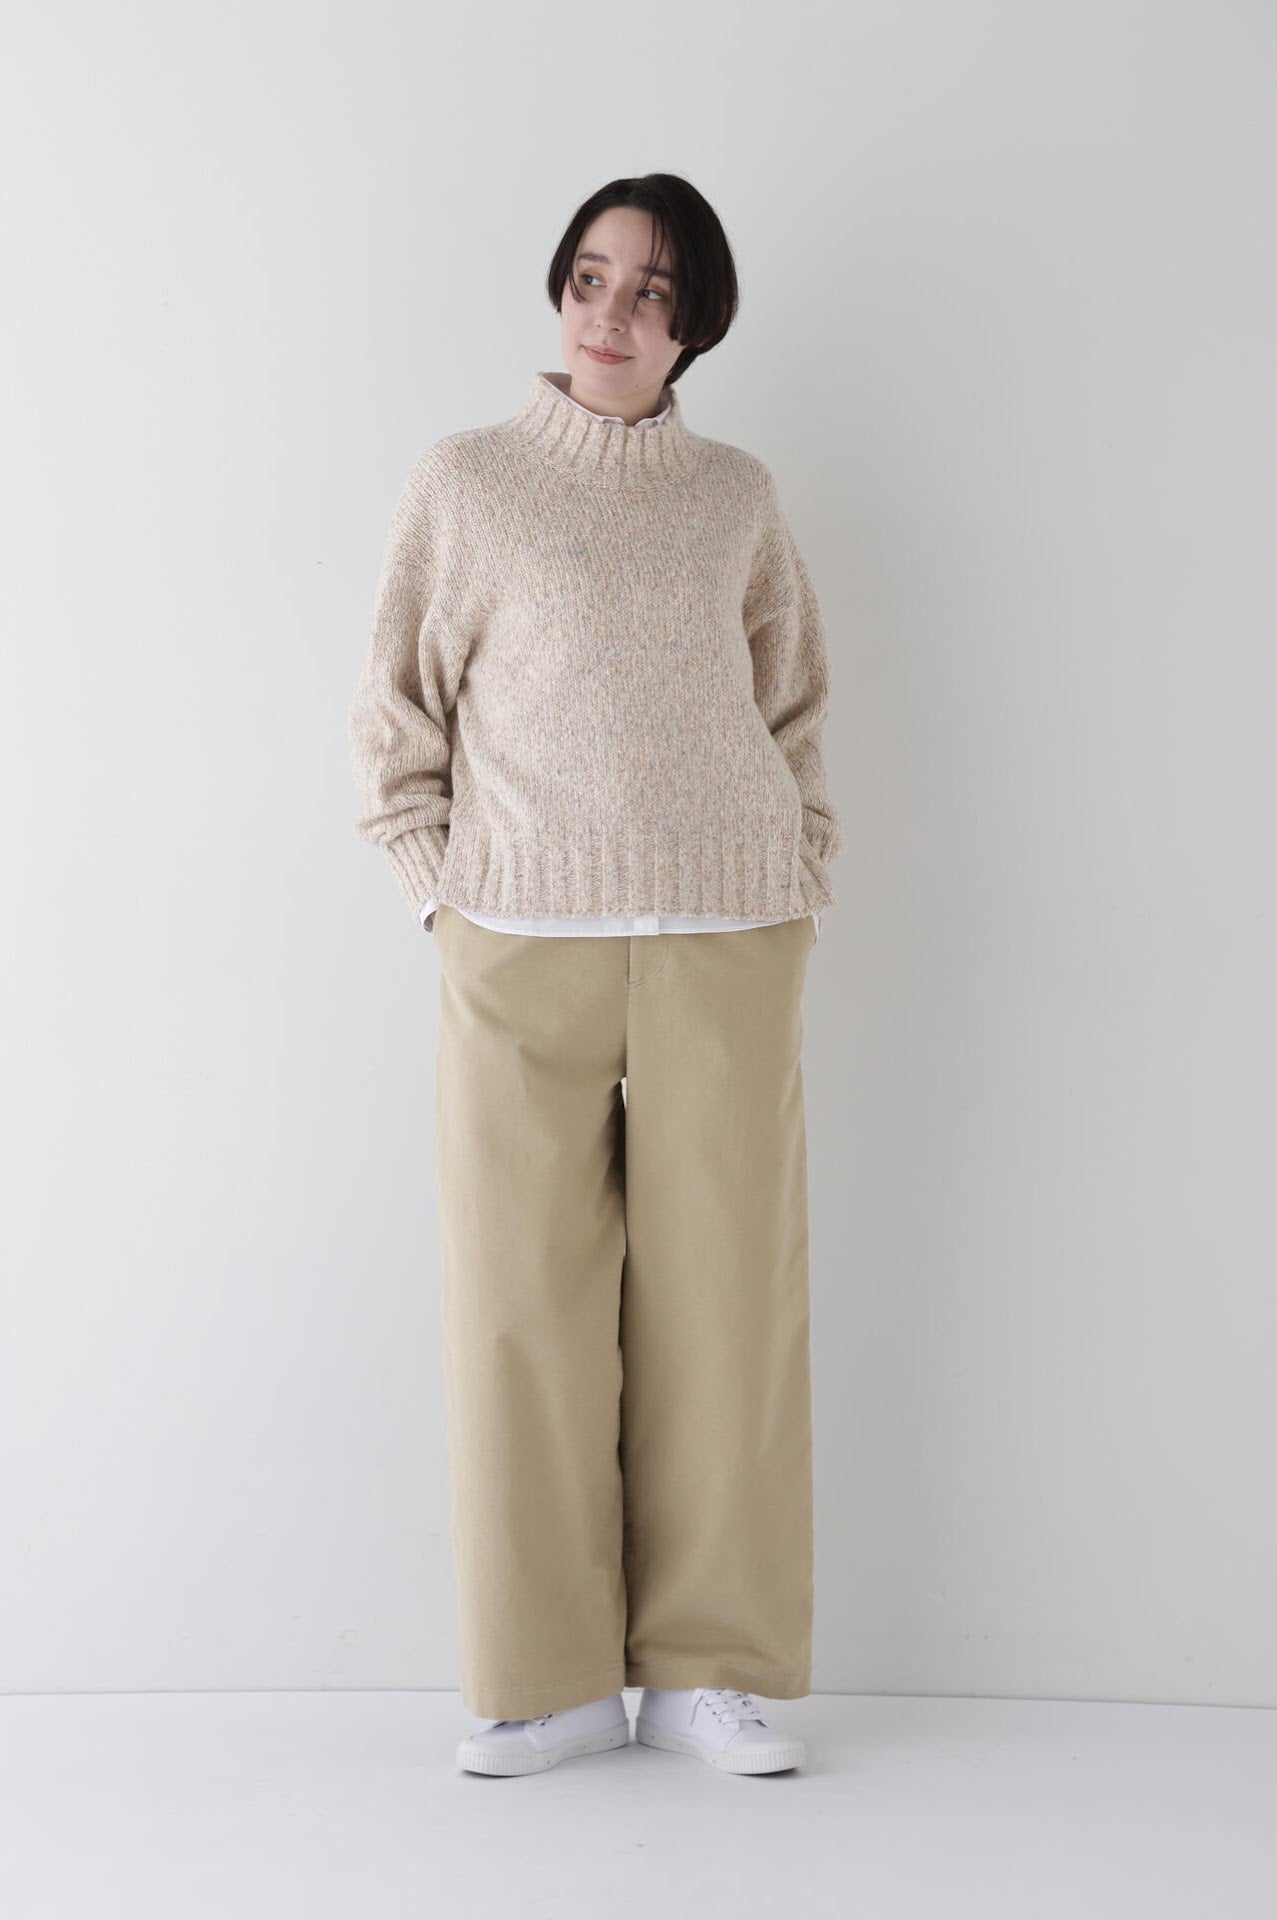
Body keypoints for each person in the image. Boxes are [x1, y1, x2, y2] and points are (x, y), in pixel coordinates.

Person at [347, 173, 842, 1777]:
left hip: (724, 937)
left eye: (650, 290)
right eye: (587, 278)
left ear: (695, 321)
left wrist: (798, 869)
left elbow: (792, 703)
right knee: (520, 1307)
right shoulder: (467, 481)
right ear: (558, 293)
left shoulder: (734, 495)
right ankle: (542, 1676)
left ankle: (711, 1669)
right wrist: (441, 897)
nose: (610, 314)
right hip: (515, 940)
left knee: (727, 1307)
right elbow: (393, 713)